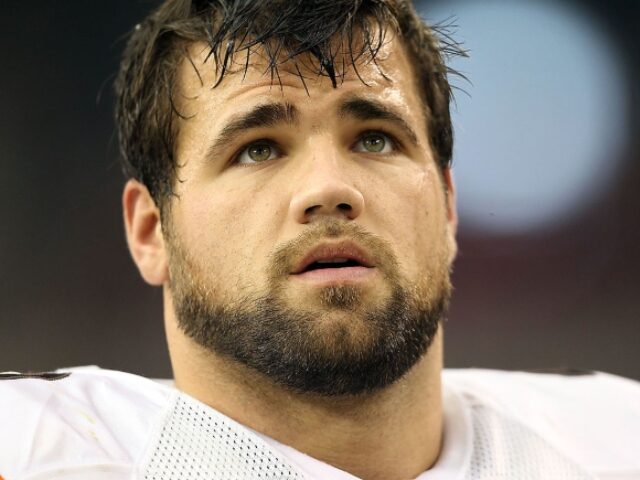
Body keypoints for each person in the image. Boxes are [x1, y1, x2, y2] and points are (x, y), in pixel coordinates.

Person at [1, 1, 639, 479]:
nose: (330, 189)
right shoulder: (32, 447)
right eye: (257, 150)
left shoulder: (615, 439)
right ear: (150, 232)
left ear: (447, 204)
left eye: (374, 138)